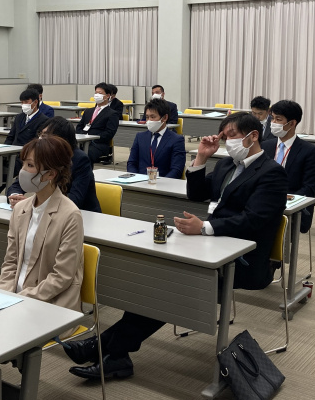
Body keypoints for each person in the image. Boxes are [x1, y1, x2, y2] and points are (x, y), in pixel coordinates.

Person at [63, 112, 287, 380]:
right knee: (158, 278)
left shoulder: (272, 173)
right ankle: (113, 352)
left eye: (233, 136)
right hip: (212, 246)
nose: (228, 142)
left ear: (253, 136)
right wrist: (201, 158)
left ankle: (104, 347)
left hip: (244, 259)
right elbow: (197, 193)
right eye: (225, 137)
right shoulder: (228, 165)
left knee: (169, 285)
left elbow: (254, 220)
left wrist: (204, 227)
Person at [0, 135, 84, 316]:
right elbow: (10, 261)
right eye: (23, 164)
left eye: (30, 165)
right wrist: (4, 293)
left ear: (51, 174)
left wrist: (22, 298)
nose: (23, 171)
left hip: (50, 302)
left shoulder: (70, 215)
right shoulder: (20, 209)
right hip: (15, 296)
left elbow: (61, 277)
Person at [8, 117, 101, 212]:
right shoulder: (39, 155)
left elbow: (75, 199)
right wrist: (15, 197)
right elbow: (17, 185)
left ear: (60, 140)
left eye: (45, 136)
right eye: (40, 134)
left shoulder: (80, 159)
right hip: (47, 211)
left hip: (81, 213)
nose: (40, 139)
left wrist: (35, 204)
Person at [261, 100, 315, 233]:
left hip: (292, 206)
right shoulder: (265, 146)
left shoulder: (309, 151)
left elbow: (309, 187)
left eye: (278, 119)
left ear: (292, 123)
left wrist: (282, 201)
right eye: (272, 118)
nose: (273, 123)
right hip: (263, 201)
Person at [0, 88, 47, 199]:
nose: (23, 105)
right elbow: (10, 137)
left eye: (26, 102)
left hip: (23, 157)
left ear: (35, 102)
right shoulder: (19, 117)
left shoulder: (43, 120)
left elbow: (36, 144)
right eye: (22, 102)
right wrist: (4, 151)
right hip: (9, 154)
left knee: (1, 175)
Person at [127, 99, 186, 178]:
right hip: (140, 181)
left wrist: (161, 183)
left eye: (153, 117)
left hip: (164, 182)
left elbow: (177, 170)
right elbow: (131, 163)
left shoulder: (176, 140)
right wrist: (136, 179)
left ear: (164, 118)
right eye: (147, 117)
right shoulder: (140, 137)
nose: (149, 121)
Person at [76, 83, 120, 164]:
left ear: (107, 96)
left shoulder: (112, 114)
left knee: (84, 155)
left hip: (98, 144)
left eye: (100, 93)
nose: (97, 95)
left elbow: (109, 133)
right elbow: (79, 127)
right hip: (82, 142)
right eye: (96, 93)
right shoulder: (88, 111)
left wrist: (91, 138)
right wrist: (83, 137)